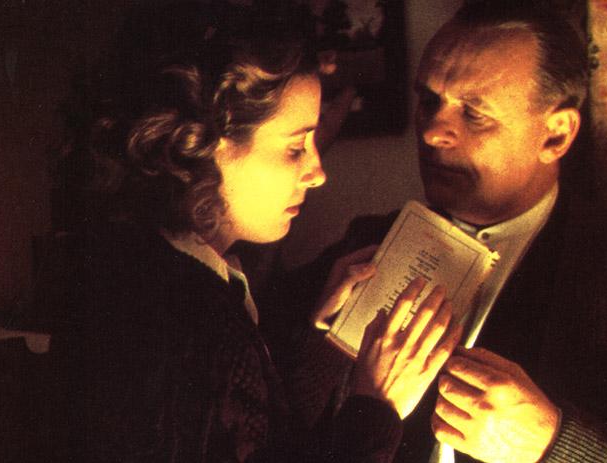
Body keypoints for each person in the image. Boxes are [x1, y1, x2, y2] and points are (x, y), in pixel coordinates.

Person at [258, 2, 607, 462]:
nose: (431, 132)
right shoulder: (365, 246)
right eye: (428, 101)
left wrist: (558, 443)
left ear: (556, 134)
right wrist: (320, 348)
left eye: (473, 113)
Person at [34, 3, 460, 462]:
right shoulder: (190, 317)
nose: (317, 174)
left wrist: (320, 347)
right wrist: (376, 405)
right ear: (204, 147)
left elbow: (252, 436)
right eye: (295, 148)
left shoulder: (156, 272)